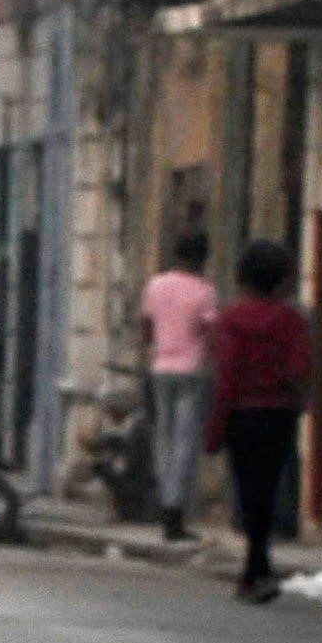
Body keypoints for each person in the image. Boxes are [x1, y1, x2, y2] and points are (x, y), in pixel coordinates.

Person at [213, 238, 315, 597]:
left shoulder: (231, 319)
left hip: (242, 415)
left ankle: (255, 568)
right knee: (269, 489)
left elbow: (226, 373)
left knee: (248, 491)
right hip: (278, 413)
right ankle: (259, 565)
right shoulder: (291, 319)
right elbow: (299, 366)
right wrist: (301, 400)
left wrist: (216, 426)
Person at [139, 226, 219, 540]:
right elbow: (211, 332)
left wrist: (154, 348)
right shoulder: (205, 291)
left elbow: (146, 325)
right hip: (191, 371)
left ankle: (164, 501)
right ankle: (174, 511)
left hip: (160, 367)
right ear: (202, 258)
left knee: (163, 439)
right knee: (185, 443)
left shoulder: (155, 285)